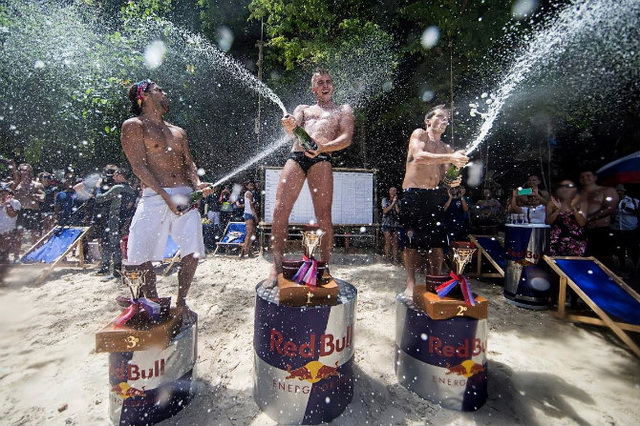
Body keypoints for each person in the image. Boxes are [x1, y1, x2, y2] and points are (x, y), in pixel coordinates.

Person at [121, 79, 213, 314]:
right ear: (144, 97)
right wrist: (165, 196)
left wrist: (198, 183)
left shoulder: (177, 131)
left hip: (184, 193)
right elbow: (138, 166)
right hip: (154, 195)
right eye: (159, 90)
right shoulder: (134, 125)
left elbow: (189, 163)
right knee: (138, 253)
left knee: (192, 253)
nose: (165, 93)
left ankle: (182, 302)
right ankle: (152, 301)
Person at [266, 70, 355, 286]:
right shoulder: (303, 109)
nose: (325, 85)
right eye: (320, 82)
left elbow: (346, 138)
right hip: (297, 156)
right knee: (279, 210)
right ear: (313, 88)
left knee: (323, 216)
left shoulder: (343, 109)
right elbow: (293, 129)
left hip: (322, 157)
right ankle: (276, 266)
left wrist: (323, 146)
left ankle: (324, 265)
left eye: (328, 81)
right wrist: (289, 125)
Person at [400, 104, 469, 295]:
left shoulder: (446, 147)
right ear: (428, 121)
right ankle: (411, 282)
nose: (445, 120)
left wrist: (455, 179)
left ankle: (435, 280)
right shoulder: (419, 134)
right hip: (413, 193)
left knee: (437, 243)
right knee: (411, 241)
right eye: (440, 116)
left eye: (447, 118)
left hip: (435, 195)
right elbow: (419, 157)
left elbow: (447, 179)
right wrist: (450, 157)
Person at [94, 167, 137, 281]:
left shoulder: (118, 188)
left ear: (121, 176)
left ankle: (113, 271)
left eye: (116, 174)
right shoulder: (130, 189)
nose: (113, 176)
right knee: (117, 245)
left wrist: (98, 188)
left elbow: (100, 199)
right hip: (124, 220)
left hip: (115, 220)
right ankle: (114, 269)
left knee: (113, 245)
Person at [577, 170, 618, 265]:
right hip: (581, 229)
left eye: (588, 175)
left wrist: (590, 219)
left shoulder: (607, 190)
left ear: (595, 177)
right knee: (583, 257)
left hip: (601, 229)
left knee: (604, 259)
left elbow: (610, 208)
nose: (585, 178)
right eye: (582, 176)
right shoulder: (576, 194)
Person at [546, 179, 588, 256]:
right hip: (556, 240)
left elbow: (582, 223)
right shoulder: (552, 203)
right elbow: (548, 222)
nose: (565, 189)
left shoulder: (581, 203)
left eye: (569, 186)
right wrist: (558, 210)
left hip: (576, 242)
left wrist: (574, 208)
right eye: (562, 187)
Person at [10, 163, 45, 250]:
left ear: (30, 172)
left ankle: (36, 255)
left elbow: (42, 198)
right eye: (21, 170)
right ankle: (16, 256)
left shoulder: (37, 185)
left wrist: (31, 195)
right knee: (18, 234)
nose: (23, 172)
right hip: (21, 212)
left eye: (25, 170)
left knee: (36, 234)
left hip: (34, 211)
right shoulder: (16, 185)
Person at [610, 184, 639, 275]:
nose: (619, 192)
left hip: (630, 229)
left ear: (624, 191)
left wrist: (631, 210)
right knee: (619, 249)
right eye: (617, 190)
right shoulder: (612, 201)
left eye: (620, 190)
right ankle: (622, 266)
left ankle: (635, 267)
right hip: (617, 228)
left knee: (633, 248)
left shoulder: (633, 201)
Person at [0, 185, 21, 279]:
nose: (3, 194)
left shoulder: (15, 202)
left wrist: (7, 204)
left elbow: (12, 214)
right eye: (1, 192)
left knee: (5, 255)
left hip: (9, 231)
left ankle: (4, 277)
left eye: (5, 192)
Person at [381, 186, 401, 263]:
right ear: (389, 191)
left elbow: (398, 212)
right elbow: (385, 210)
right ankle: (387, 258)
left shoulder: (398, 201)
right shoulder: (385, 200)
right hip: (387, 222)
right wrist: (392, 203)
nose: (393, 192)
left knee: (395, 242)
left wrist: (395, 202)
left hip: (395, 223)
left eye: (394, 190)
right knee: (388, 241)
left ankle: (395, 259)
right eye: (391, 190)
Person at [241, 181, 258, 258]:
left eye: (252, 185)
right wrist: (256, 217)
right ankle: (245, 251)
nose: (252, 186)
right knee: (249, 233)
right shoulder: (249, 193)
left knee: (252, 233)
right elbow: (251, 206)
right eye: (250, 185)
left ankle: (248, 250)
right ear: (247, 186)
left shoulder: (248, 193)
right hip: (249, 214)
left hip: (249, 213)